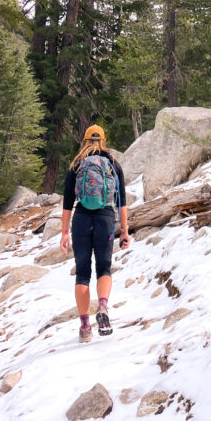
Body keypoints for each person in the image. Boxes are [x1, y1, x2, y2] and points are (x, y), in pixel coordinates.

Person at [60, 125, 130, 342]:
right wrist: (125, 231)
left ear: (84, 140)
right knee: (104, 267)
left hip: (81, 219)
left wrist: (64, 233)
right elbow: (122, 203)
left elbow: (67, 205)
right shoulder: (112, 165)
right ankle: (102, 306)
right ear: (104, 140)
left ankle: (85, 327)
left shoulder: (77, 165)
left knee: (82, 273)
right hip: (105, 219)